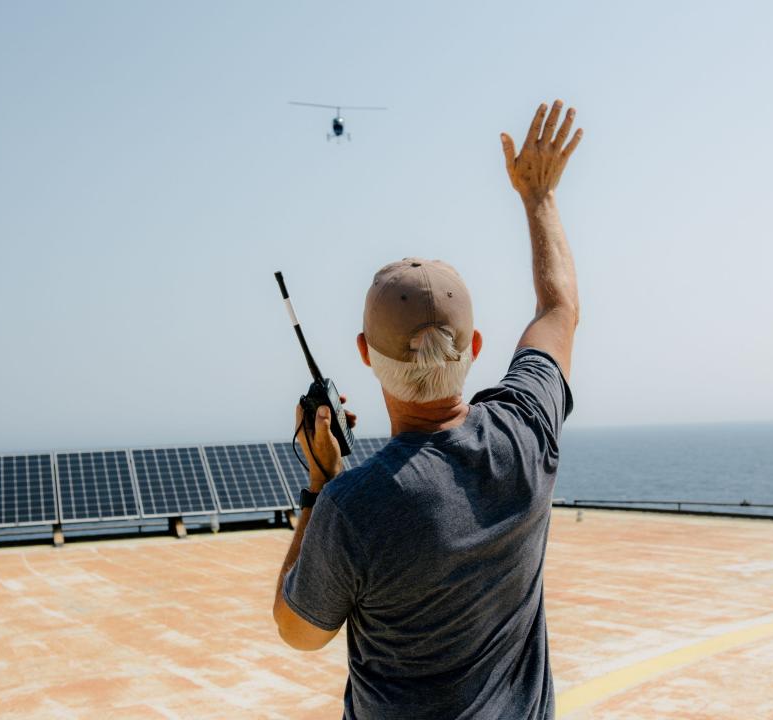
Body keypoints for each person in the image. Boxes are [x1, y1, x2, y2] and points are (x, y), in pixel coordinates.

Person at [273, 99, 583, 720]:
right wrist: (538, 197)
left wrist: (319, 485)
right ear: (474, 348)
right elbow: (559, 312)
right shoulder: (525, 432)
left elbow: (299, 631)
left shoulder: (352, 507)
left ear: (365, 354)